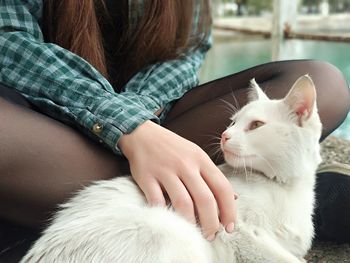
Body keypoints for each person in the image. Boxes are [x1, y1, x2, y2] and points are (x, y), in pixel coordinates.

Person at [0, 0, 349, 261]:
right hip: (46, 131)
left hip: (157, 123)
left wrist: (145, 128)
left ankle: (230, 196)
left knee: (326, 82)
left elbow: (180, 60)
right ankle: (240, 198)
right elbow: (9, 42)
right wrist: (126, 128)